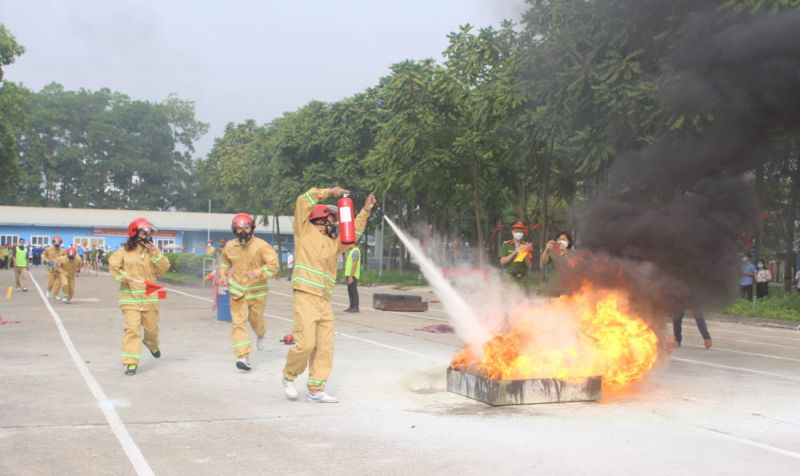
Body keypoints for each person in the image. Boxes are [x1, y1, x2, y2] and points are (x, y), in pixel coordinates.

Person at [281, 186, 376, 403]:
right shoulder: (304, 231)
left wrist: (365, 211)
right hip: (305, 295)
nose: (334, 224)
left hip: (324, 299)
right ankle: (288, 376)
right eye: (332, 220)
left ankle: (316, 389)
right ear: (320, 219)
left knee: (324, 347)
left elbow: (352, 234)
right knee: (306, 344)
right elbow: (302, 200)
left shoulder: (334, 244)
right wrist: (329, 192)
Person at [218, 213, 279, 371]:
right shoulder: (230, 246)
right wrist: (223, 274)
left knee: (256, 322)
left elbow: (274, 266)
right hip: (238, 291)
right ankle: (243, 357)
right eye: (239, 228)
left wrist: (257, 272)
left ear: (252, 228)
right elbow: (225, 261)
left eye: (246, 227)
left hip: (257, 293)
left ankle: (261, 335)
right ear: (234, 230)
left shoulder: (262, 246)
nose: (243, 231)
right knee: (238, 324)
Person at [109, 218, 170, 376]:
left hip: (149, 298)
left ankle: (151, 344)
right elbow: (114, 266)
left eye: (149, 233)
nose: (147, 236)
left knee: (152, 331)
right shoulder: (123, 251)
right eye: (144, 233)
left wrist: (154, 253)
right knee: (132, 329)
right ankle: (131, 362)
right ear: (134, 234)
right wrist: (124, 276)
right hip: (130, 299)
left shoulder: (153, 252)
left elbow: (164, 268)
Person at [498, 221, 534, 286]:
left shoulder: (527, 246)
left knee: (522, 292)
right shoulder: (506, 245)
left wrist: (525, 254)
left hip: (523, 278)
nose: (519, 233)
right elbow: (502, 261)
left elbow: (529, 265)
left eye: (521, 231)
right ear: (512, 232)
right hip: (509, 277)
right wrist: (514, 253)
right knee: (510, 292)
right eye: (516, 231)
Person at [343, 242, 362, 312]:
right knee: (350, 291)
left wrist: (351, 276)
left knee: (353, 291)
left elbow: (354, 264)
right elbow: (346, 259)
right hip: (349, 274)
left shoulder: (356, 251)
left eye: (348, 243)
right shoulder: (351, 251)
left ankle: (356, 307)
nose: (347, 245)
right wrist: (345, 250)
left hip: (353, 275)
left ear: (352, 243)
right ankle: (351, 306)